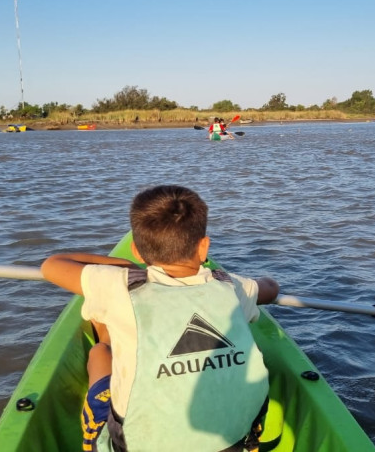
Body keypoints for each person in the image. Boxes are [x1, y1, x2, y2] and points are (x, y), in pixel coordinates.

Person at [41, 185, 279, 451]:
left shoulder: (121, 285)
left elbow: (52, 265)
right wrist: (258, 283)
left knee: (101, 350)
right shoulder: (230, 286)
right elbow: (270, 288)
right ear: (203, 247)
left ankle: (106, 340)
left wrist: (125, 267)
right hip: (233, 442)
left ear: (136, 250)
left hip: (138, 444)